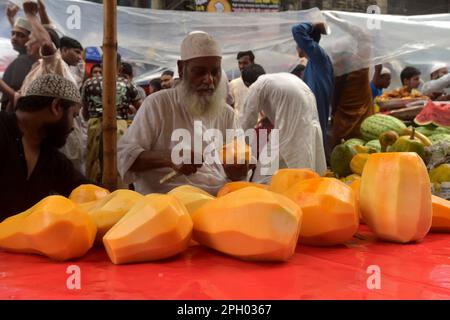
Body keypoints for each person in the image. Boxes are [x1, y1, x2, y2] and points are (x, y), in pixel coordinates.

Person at [118, 31, 253, 195]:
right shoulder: (158, 104)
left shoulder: (227, 114)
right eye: (200, 72)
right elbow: (125, 157)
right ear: (182, 70)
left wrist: (238, 169)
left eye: (215, 72)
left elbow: (238, 170)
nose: (209, 80)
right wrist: (170, 157)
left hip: (216, 202)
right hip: (166, 204)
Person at [0, 74, 91, 221]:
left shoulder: (51, 158)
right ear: (56, 107)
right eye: (74, 116)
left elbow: (84, 188)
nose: (74, 126)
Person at [239, 64, 327, 183]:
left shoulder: (257, 85)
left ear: (248, 84)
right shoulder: (279, 79)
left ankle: (261, 192)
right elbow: (285, 103)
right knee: (301, 163)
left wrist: (239, 150)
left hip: (291, 127)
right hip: (306, 119)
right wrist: (268, 118)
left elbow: (247, 120)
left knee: (264, 175)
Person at [82, 54, 142, 183]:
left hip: (95, 126)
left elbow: (85, 113)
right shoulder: (127, 85)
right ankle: (118, 197)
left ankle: (94, 195)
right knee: (118, 164)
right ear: (119, 67)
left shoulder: (89, 83)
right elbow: (142, 110)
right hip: (120, 127)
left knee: (94, 165)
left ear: (102, 65)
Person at [325, 13, 373, 150]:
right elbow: (364, 37)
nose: (335, 59)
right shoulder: (360, 68)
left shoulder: (336, 74)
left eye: (336, 56)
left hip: (342, 130)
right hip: (363, 127)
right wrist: (338, 21)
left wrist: (335, 21)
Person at [292, 21, 334, 150]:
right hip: (313, 114)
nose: (296, 46)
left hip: (317, 113)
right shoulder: (313, 62)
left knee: (316, 147)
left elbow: (297, 29)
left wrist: (313, 26)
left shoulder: (318, 56)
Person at [0, 17, 35, 111]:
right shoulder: (23, 58)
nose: (14, 38)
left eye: (21, 35)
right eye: (13, 34)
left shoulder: (23, 61)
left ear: (32, 39)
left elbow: (17, 97)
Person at [229, 51, 255, 115]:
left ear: (252, 63)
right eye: (239, 63)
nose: (241, 66)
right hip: (238, 123)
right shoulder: (233, 84)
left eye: (245, 63)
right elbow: (230, 107)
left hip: (257, 123)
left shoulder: (259, 82)